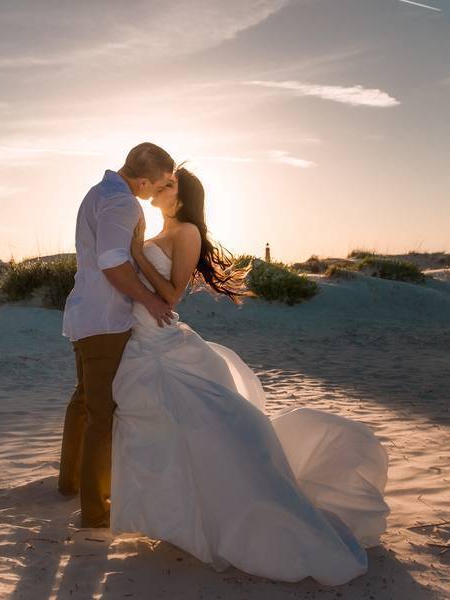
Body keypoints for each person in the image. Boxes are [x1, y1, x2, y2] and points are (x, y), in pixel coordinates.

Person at [109, 166, 390, 586]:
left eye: (169, 185)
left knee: (200, 432)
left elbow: (171, 296)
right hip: (143, 337)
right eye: (162, 182)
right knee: (163, 430)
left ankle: (239, 519)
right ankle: (174, 519)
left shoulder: (187, 232)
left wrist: (136, 256)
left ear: (183, 197)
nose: (160, 189)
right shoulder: (159, 229)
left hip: (160, 338)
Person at [58, 142, 177, 528]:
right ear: (142, 180)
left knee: (82, 401)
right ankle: (95, 510)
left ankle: (70, 482)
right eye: (156, 185)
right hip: (105, 320)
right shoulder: (124, 202)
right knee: (101, 414)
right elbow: (112, 262)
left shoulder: (98, 192)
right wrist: (150, 301)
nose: (154, 193)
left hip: (83, 314)